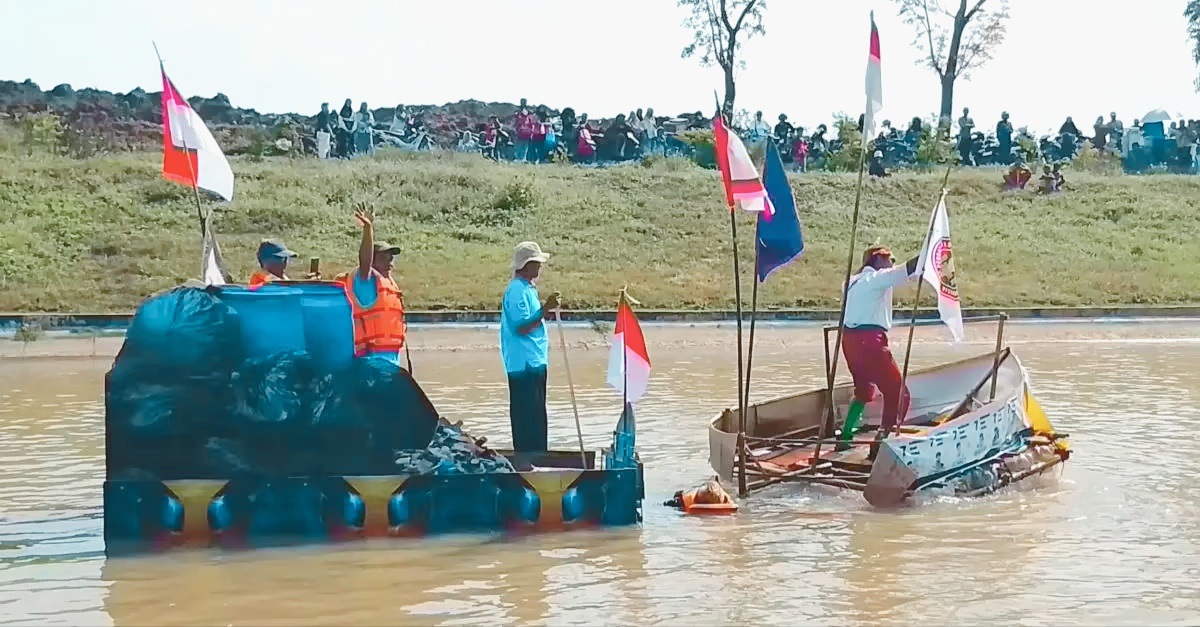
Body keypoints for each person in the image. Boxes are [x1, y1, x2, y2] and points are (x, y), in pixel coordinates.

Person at [837, 246, 920, 451]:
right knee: (898, 394)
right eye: (890, 259)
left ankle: (846, 436)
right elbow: (907, 269)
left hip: (849, 341)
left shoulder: (850, 282)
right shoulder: (876, 279)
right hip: (870, 341)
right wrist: (929, 252)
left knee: (864, 391)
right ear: (879, 261)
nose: (892, 263)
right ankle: (882, 441)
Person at [500, 241, 561, 454]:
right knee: (527, 416)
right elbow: (521, 326)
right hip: (523, 363)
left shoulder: (528, 289)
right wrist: (544, 310)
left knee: (536, 415)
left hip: (534, 360)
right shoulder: (516, 290)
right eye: (536, 263)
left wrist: (544, 311)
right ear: (526, 265)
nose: (539, 267)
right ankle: (528, 459)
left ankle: (538, 457)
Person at [336, 204, 408, 365]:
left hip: (390, 361)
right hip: (370, 362)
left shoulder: (389, 284)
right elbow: (364, 262)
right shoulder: (366, 283)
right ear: (372, 262)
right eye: (383, 258)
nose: (389, 262)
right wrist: (368, 229)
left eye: (391, 258)